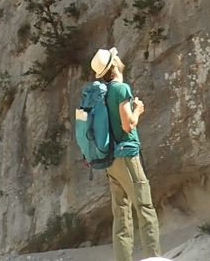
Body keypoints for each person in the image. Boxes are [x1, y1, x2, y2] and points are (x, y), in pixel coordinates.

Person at [90, 47, 161, 261]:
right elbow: (128, 124)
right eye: (116, 57)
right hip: (127, 155)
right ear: (113, 65)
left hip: (110, 160)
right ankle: (154, 257)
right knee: (145, 205)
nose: (120, 58)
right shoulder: (120, 89)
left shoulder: (102, 93)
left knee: (121, 214)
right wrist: (138, 109)